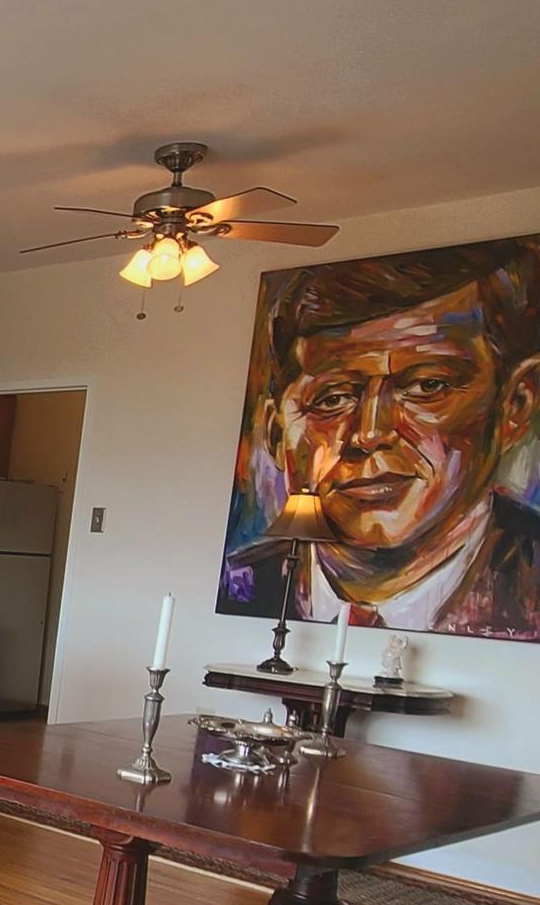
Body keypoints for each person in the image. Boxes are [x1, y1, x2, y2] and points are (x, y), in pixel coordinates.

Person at [225, 237, 540, 640]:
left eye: (428, 386)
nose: (370, 434)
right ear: (274, 432)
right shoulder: (243, 584)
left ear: (514, 405)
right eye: (332, 399)